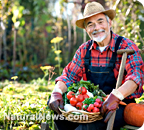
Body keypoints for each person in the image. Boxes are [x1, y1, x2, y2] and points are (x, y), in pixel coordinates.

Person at [48, 1, 144, 130]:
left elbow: (136, 76)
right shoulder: (84, 50)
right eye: (90, 24)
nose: (96, 28)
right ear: (86, 30)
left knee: (87, 128)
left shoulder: (126, 46)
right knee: (58, 110)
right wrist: (57, 92)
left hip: (119, 105)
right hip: (91, 105)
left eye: (100, 22)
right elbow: (69, 76)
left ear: (109, 23)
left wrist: (116, 96)